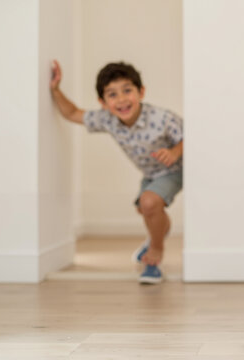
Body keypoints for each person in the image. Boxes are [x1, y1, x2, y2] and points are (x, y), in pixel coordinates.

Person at [50, 60, 183, 284]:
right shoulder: (108, 119)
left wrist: (174, 152)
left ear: (141, 92)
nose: (121, 99)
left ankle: (154, 255)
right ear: (103, 102)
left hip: (174, 169)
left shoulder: (162, 118)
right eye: (112, 95)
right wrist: (55, 89)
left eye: (127, 90)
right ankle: (156, 236)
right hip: (150, 174)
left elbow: (190, 135)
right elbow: (72, 113)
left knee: (149, 203)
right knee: (145, 209)